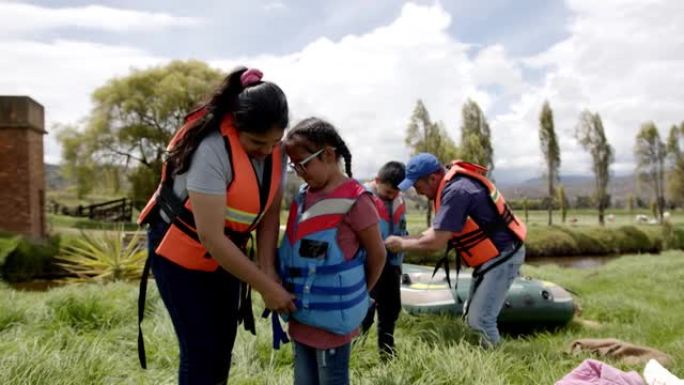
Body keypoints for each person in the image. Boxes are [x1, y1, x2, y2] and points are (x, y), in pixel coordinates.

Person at [136, 66, 296, 385]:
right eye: (257, 143)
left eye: (274, 142)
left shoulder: (274, 148)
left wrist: (268, 269)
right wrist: (267, 288)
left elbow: (269, 214)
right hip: (179, 253)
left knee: (222, 345)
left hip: (227, 254)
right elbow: (211, 237)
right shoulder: (210, 149)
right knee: (200, 350)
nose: (267, 151)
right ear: (236, 127)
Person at [276, 117, 386, 385]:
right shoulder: (303, 197)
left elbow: (378, 254)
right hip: (301, 319)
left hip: (333, 325)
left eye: (304, 164)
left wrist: (359, 293)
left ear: (327, 154)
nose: (300, 172)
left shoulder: (357, 201)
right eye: (294, 166)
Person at [385, 153, 526, 348]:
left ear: (433, 178)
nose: (418, 193)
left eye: (418, 186)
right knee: (470, 315)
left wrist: (402, 245)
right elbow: (437, 230)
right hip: (491, 258)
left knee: (481, 320)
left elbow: (436, 242)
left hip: (504, 256)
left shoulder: (457, 191)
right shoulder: (453, 185)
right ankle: (483, 357)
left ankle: (498, 368)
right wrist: (405, 239)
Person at [360, 161, 408, 360]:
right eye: (388, 192)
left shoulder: (399, 198)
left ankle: (387, 353)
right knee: (365, 310)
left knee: (391, 309)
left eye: (396, 193)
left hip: (392, 265)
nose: (392, 196)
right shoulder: (362, 197)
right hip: (367, 264)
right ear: (377, 181)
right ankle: (353, 352)